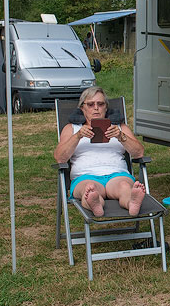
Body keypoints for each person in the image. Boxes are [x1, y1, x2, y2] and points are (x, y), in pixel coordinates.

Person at [53, 86, 146, 217]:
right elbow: (60, 158)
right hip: (84, 176)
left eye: (100, 104)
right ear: (82, 108)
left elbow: (139, 153)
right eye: (90, 104)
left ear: (106, 107)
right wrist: (78, 136)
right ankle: (95, 203)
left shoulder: (119, 127)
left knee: (125, 186)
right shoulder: (72, 128)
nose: (96, 108)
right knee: (90, 189)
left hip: (117, 174)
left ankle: (132, 202)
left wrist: (121, 136)